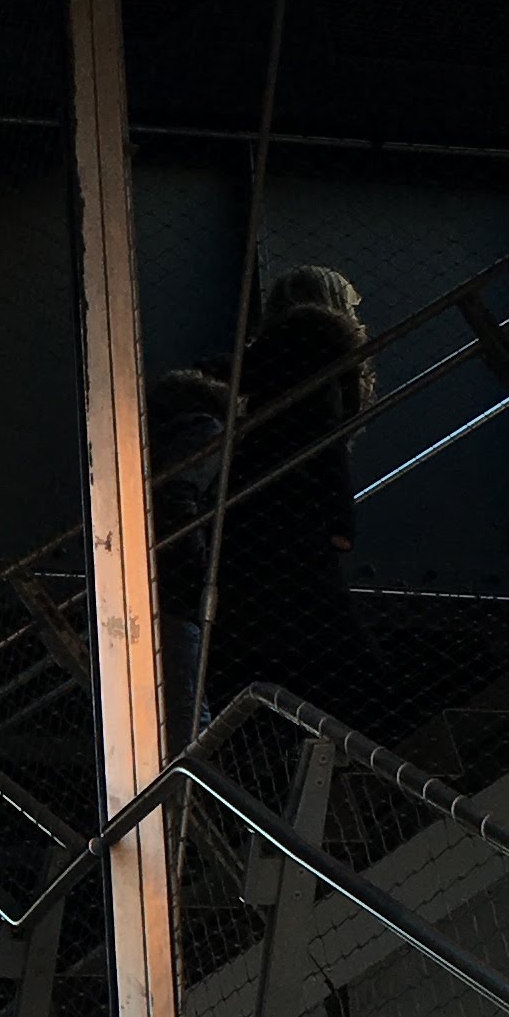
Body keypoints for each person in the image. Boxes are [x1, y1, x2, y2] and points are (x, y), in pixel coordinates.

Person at [205, 261, 376, 724]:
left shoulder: (267, 356)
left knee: (255, 638)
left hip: (249, 510)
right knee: (340, 653)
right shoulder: (319, 351)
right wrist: (340, 522)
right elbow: (322, 439)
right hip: (295, 514)